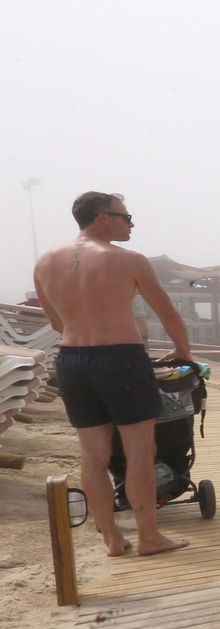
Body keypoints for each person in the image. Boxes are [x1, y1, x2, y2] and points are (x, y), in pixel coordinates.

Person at [32, 192, 190, 557]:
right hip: (120, 357)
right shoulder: (128, 260)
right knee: (139, 450)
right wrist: (182, 349)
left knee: (93, 455)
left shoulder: (45, 262)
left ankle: (112, 539)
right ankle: (149, 537)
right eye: (126, 216)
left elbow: (56, 322)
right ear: (102, 218)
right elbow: (167, 312)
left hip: (71, 360)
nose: (131, 223)